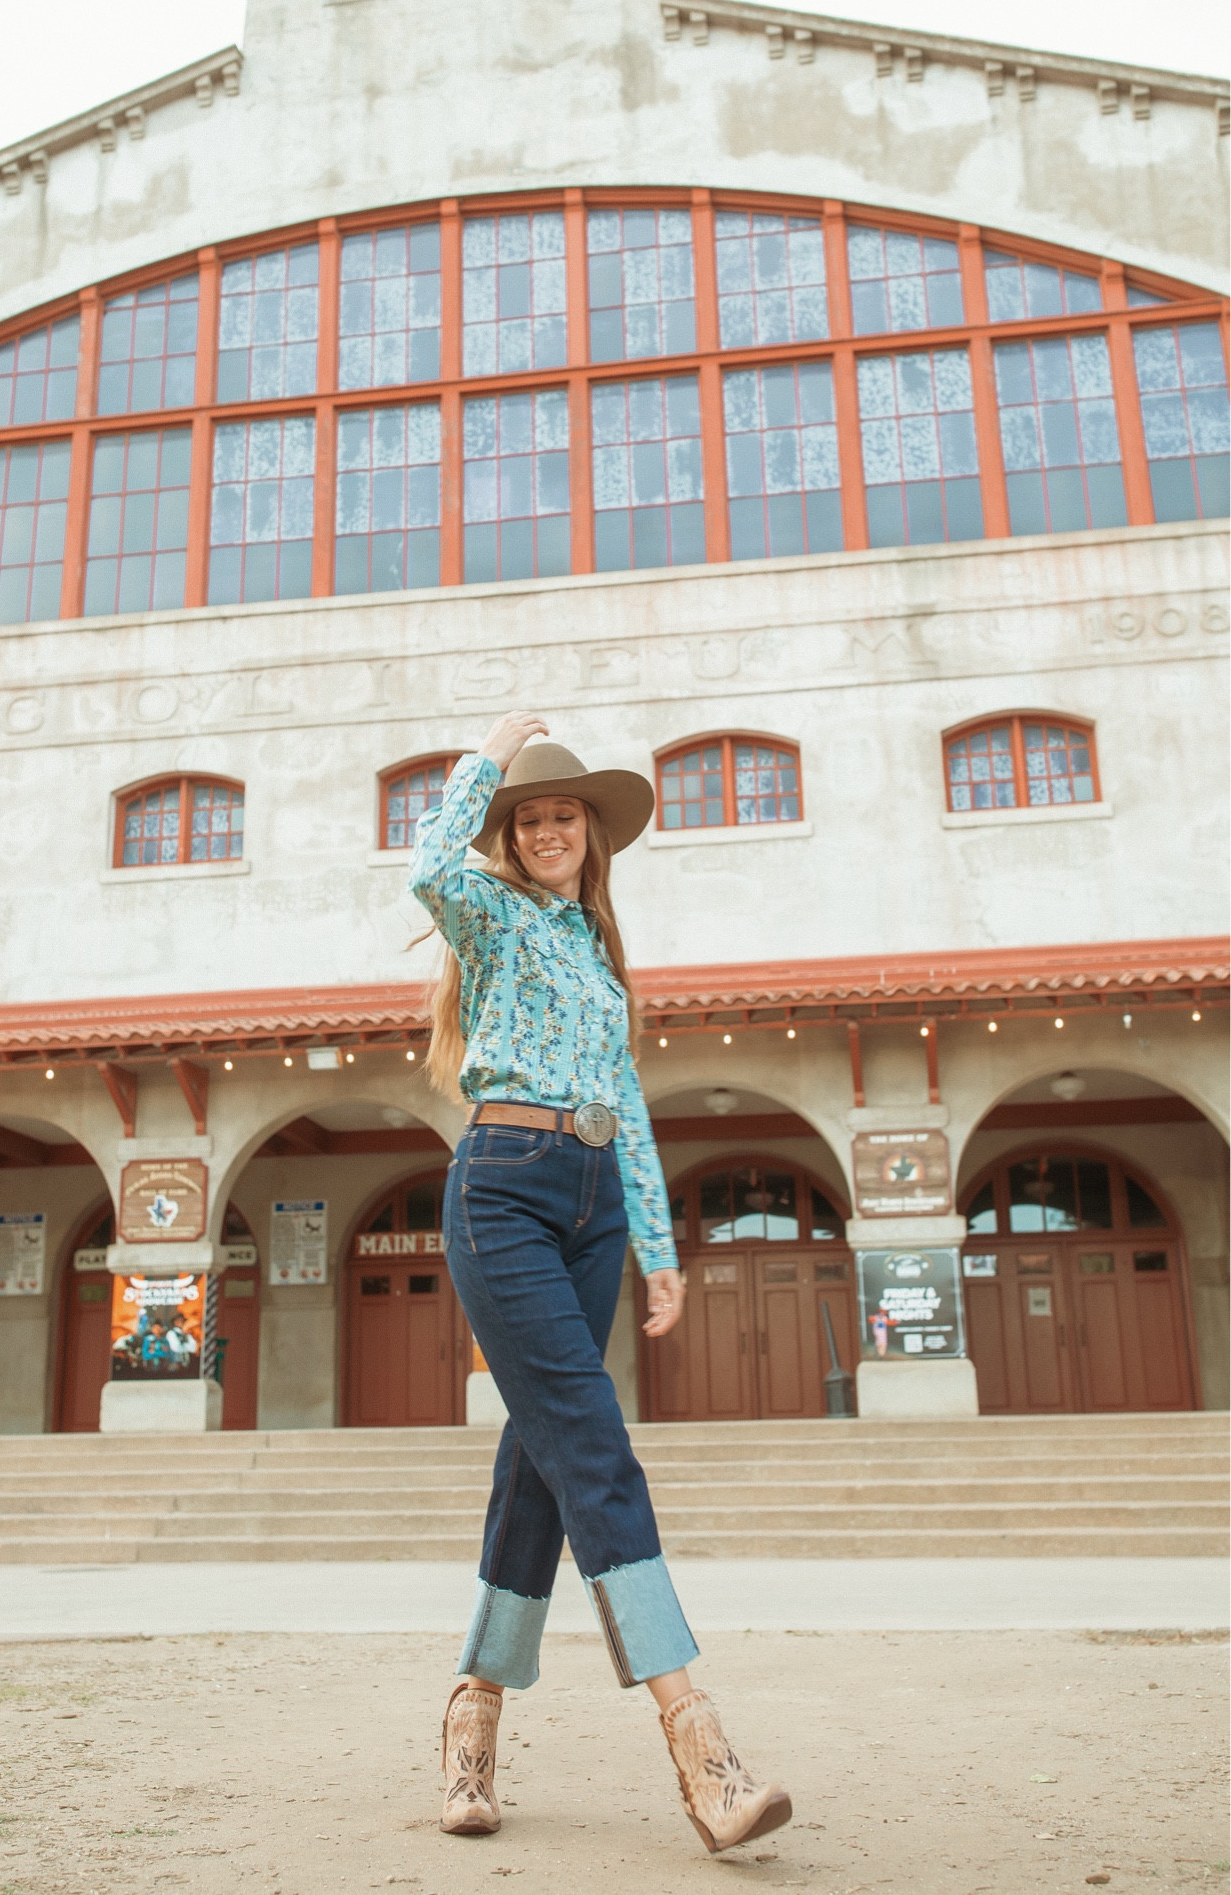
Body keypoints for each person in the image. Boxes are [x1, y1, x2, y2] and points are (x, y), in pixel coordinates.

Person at [409, 709, 791, 1856]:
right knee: (592, 1438)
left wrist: (659, 1248)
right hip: (504, 1185)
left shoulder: (597, 955)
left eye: (561, 812)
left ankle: (472, 1712)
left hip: (591, 1210)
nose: (545, 829)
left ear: (591, 831)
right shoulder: (484, 911)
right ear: (508, 833)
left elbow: (626, 1111)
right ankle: (699, 1737)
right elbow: (427, 863)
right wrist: (490, 748)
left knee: (541, 1458)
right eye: (526, 816)